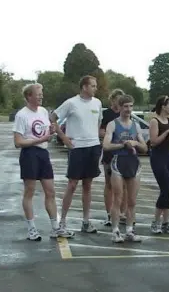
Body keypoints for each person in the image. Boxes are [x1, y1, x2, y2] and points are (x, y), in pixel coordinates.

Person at [12, 83, 72, 240]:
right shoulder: (22, 115)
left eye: (41, 93)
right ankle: (32, 229)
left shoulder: (43, 111)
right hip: (29, 154)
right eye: (38, 94)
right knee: (29, 191)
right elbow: (18, 142)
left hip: (43, 154)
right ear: (29, 96)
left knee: (50, 191)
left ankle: (55, 228)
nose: (41, 96)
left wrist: (50, 131)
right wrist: (39, 139)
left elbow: (46, 132)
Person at [51, 75, 103, 236]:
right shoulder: (71, 103)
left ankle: (86, 222)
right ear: (84, 87)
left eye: (95, 86)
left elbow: (98, 121)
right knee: (72, 184)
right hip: (77, 148)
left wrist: (94, 136)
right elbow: (52, 118)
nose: (95, 88)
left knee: (88, 185)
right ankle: (62, 223)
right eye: (93, 86)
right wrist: (64, 137)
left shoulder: (98, 103)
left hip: (93, 146)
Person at [102, 94, 147, 243]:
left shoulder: (136, 125)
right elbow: (106, 145)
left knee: (132, 201)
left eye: (130, 106)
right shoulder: (113, 124)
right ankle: (115, 231)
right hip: (118, 162)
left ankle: (129, 231)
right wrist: (123, 144)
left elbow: (145, 147)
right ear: (119, 107)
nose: (128, 109)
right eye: (125, 106)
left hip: (133, 163)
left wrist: (134, 144)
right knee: (117, 198)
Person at [149, 95, 169, 234]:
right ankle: (155, 221)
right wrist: (167, 132)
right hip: (158, 156)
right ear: (163, 106)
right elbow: (153, 141)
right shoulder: (154, 121)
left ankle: (166, 222)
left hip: (168, 155)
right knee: (165, 188)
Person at [99, 89, 127, 227]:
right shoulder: (106, 114)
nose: (120, 102)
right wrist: (111, 135)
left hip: (124, 154)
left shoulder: (126, 114)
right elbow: (101, 130)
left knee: (125, 185)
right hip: (110, 153)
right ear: (112, 100)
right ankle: (109, 214)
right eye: (118, 99)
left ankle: (123, 213)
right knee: (109, 184)